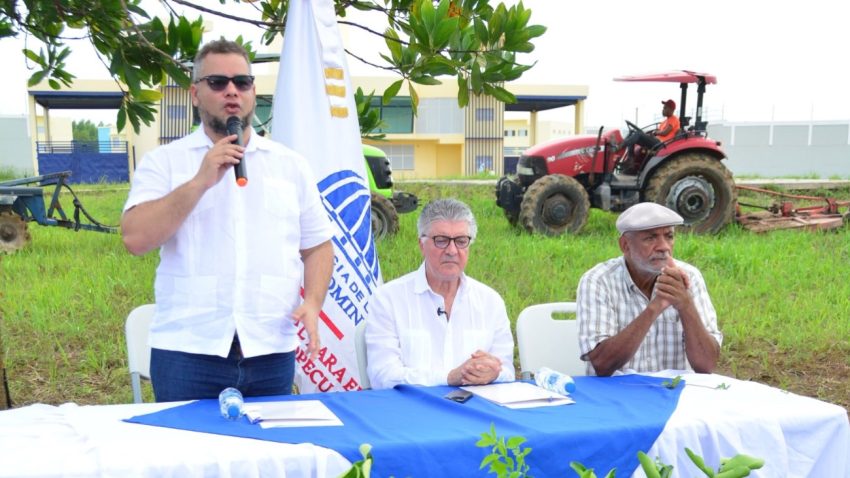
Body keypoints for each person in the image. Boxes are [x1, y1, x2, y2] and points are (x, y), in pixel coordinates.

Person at [121, 39, 334, 402]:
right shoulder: (165, 162)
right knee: (185, 441)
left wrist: (313, 302)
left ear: (253, 92)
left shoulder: (290, 165)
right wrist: (200, 181)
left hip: (270, 349)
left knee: (269, 441)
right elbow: (135, 239)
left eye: (242, 82)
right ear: (195, 94)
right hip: (188, 350)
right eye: (218, 82)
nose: (232, 91)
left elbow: (318, 246)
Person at [365, 198, 515, 389]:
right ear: (421, 245)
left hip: (475, 406)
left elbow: (507, 371)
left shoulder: (490, 301)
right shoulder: (388, 299)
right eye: (441, 241)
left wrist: (494, 372)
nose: (452, 251)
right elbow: (382, 376)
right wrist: (449, 377)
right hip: (414, 406)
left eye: (461, 241)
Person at [576, 202, 722, 376]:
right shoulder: (598, 281)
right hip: (618, 390)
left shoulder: (690, 278)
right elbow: (602, 364)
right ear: (625, 245)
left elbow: (706, 365)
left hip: (673, 390)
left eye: (669, 236)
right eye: (650, 238)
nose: (664, 247)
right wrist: (654, 308)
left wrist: (685, 304)